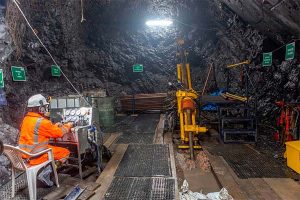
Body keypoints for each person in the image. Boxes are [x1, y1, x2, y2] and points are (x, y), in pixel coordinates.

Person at [18, 94, 73, 185]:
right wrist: (68, 125)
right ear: (41, 108)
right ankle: (45, 173)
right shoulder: (43, 122)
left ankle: (46, 170)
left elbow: (36, 131)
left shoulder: (26, 119)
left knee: (51, 147)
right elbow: (59, 133)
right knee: (65, 152)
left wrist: (53, 127)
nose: (45, 108)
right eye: (44, 106)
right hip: (36, 156)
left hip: (25, 154)